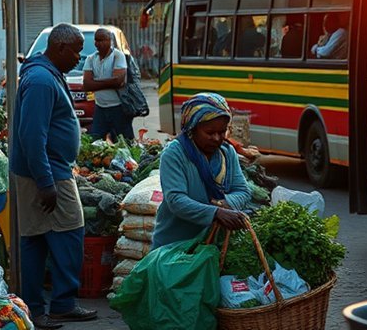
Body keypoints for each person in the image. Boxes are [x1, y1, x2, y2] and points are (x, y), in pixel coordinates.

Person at [9, 23, 97, 329]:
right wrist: (45, 182)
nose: (79, 58)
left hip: (46, 169)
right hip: (46, 172)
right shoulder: (41, 81)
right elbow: (32, 136)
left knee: (38, 239)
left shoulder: (45, 74)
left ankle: (44, 306)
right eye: (75, 51)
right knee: (68, 232)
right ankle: (55, 305)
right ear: (59, 49)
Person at [151, 93, 251, 249]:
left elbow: (243, 191)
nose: (217, 138)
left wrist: (223, 204)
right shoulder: (175, 153)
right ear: (192, 128)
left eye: (222, 132)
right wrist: (215, 213)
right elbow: (176, 200)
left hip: (213, 245)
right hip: (174, 247)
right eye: (210, 133)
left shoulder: (227, 152)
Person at [82, 28, 133, 141]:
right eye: (96, 40)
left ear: (109, 41)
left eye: (101, 40)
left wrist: (95, 82)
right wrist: (110, 82)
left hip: (118, 108)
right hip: (100, 108)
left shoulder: (117, 56)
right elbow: (86, 85)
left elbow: (119, 82)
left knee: (125, 142)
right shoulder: (90, 59)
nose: (97, 43)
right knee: (95, 142)